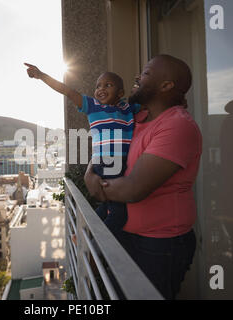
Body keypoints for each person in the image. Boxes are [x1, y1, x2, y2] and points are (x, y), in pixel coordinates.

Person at [84, 54, 202, 299]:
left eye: (146, 73)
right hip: (128, 235)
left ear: (166, 85)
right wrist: (89, 172)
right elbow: (107, 149)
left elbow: (133, 189)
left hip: (160, 245)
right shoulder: (135, 120)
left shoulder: (177, 126)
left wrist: (96, 185)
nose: (137, 77)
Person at [24, 62, 141, 238]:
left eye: (108, 85)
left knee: (109, 206)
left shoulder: (127, 109)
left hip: (124, 163)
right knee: (119, 213)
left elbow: (144, 100)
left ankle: (84, 233)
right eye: (98, 86)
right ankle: (96, 243)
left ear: (120, 93)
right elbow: (67, 91)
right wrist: (42, 76)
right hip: (108, 163)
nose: (101, 89)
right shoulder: (93, 106)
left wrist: (142, 86)